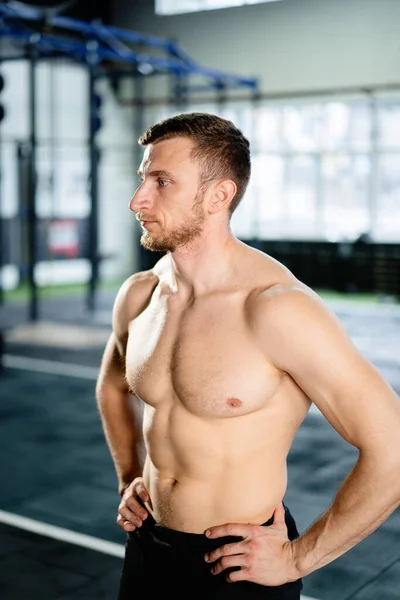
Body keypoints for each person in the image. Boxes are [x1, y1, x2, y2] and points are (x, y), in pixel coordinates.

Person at [95, 112, 400, 598]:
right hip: (148, 546)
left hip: (239, 566)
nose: (138, 200)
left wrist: (298, 558)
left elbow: (393, 447)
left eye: (162, 182)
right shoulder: (141, 294)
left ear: (220, 195)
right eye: (142, 180)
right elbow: (112, 385)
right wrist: (130, 474)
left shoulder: (277, 310)